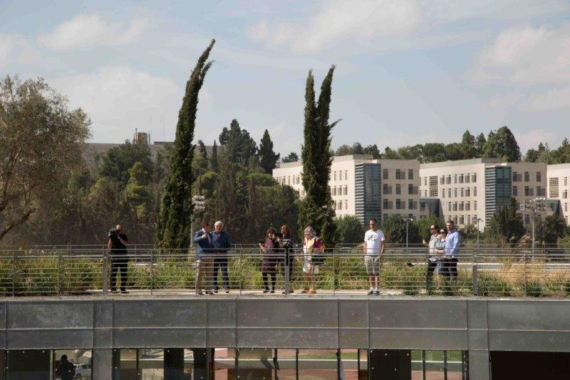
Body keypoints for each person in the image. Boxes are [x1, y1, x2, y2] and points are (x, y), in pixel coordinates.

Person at [363, 218, 385, 296]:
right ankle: (371, 288)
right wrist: (365, 253)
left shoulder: (380, 233)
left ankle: (377, 289)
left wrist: (381, 254)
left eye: (373, 224)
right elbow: (365, 244)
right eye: (370, 224)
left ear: (376, 224)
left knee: (376, 273)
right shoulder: (367, 233)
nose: (371, 225)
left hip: (376, 255)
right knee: (370, 273)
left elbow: (383, 244)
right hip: (368, 255)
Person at [108, 224, 129, 294]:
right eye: (117, 230)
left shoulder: (123, 236)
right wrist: (110, 238)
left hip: (123, 257)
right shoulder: (112, 237)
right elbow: (109, 247)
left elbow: (127, 244)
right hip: (115, 257)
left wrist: (119, 238)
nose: (118, 231)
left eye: (119, 230)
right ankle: (113, 288)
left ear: (121, 230)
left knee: (124, 273)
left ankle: (122, 288)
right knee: (114, 273)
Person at [301, 227, 324, 294]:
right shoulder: (305, 240)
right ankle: (306, 287)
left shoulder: (315, 239)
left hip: (312, 259)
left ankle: (313, 288)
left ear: (311, 233)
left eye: (307, 233)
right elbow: (304, 249)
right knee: (305, 273)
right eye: (305, 233)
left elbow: (321, 248)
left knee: (312, 273)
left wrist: (315, 251)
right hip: (306, 259)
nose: (306, 234)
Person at [211, 221, 232, 293]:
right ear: (214, 227)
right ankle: (215, 288)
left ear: (221, 227)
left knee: (224, 272)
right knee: (214, 272)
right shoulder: (211, 234)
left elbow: (228, 245)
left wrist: (229, 255)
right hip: (214, 256)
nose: (218, 227)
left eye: (220, 226)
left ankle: (226, 287)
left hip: (223, 256)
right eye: (217, 226)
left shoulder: (225, 235)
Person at [194, 221, 214, 295]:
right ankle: (198, 289)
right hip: (201, 257)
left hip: (210, 257)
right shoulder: (199, 233)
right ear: (205, 226)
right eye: (208, 227)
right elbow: (194, 240)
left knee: (209, 274)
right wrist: (201, 237)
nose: (209, 228)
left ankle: (208, 289)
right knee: (199, 274)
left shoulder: (210, 234)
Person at [258, 228, 280, 293]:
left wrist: (277, 263)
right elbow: (259, 242)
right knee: (264, 273)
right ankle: (266, 288)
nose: (270, 234)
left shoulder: (276, 241)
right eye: (269, 233)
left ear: (274, 234)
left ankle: (273, 288)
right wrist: (262, 247)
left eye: (271, 233)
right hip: (265, 260)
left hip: (273, 260)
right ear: (267, 234)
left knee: (273, 274)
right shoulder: (266, 240)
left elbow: (278, 252)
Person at [423, 224, 440, 292]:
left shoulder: (439, 236)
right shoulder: (431, 237)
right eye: (430, 228)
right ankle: (428, 287)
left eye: (432, 229)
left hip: (437, 257)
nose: (431, 230)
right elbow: (430, 246)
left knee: (439, 273)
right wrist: (426, 244)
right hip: (431, 257)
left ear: (436, 229)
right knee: (429, 272)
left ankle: (439, 287)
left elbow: (440, 245)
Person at [280, 225, 295, 294]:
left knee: (288, 272)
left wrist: (280, 242)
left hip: (288, 258)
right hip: (282, 257)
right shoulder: (281, 238)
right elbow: (279, 248)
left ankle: (287, 289)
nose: (283, 232)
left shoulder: (290, 238)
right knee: (284, 273)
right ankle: (290, 288)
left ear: (287, 231)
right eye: (282, 230)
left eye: (284, 230)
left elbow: (287, 247)